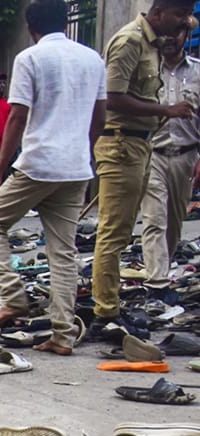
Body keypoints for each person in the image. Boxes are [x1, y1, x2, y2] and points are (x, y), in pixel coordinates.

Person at [0, 0, 107, 356]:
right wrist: (82, 151)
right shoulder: (92, 59)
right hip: (76, 167)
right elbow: (100, 120)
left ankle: (13, 298)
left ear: (31, 26)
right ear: (66, 21)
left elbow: (17, 118)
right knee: (63, 253)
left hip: (38, 164)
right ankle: (63, 336)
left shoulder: (29, 58)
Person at [91, 0, 197, 337]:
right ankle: (106, 312)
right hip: (125, 145)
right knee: (119, 231)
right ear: (160, 11)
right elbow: (113, 96)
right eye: (180, 16)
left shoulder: (149, 44)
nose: (183, 24)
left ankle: (110, 307)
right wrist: (166, 111)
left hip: (145, 146)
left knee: (126, 232)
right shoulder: (131, 41)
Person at [141, 26, 200, 300]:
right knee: (155, 219)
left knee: (174, 221)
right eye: (166, 32)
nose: (170, 38)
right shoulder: (147, 72)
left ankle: (163, 268)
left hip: (187, 156)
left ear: (185, 37)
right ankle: (157, 281)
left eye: (177, 33)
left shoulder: (198, 72)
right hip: (153, 154)